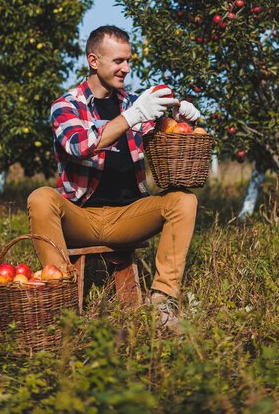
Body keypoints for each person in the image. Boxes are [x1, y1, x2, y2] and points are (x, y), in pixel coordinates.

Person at [27, 25, 200, 330]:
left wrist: (179, 120)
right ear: (94, 61)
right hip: (80, 218)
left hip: (127, 218)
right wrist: (131, 117)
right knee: (40, 197)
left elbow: (163, 137)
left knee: (184, 200)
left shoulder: (135, 104)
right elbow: (79, 145)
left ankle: (162, 301)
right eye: (119, 61)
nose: (126, 68)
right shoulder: (65, 105)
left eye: (128, 60)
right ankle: (59, 295)